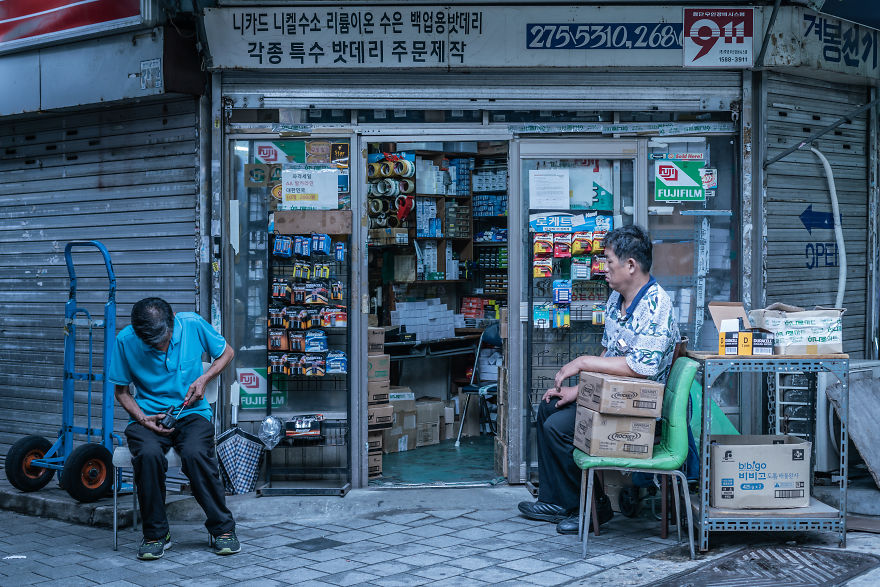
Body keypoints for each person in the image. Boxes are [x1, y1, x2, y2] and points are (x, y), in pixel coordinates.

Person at [518, 225, 680, 535]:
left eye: (608, 262)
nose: (602, 269)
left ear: (630, 265)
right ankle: (559, 501)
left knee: (559, 428)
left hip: (638, 410)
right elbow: (609, 357)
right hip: (613, 399)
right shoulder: (616, 301)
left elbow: (640, 368)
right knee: (549, 409)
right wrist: (578, 391)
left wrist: (581, 363)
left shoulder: (657, 305)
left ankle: (594, 507)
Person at [109, 297, 240, 560]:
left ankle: (222, 529)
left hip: (192, 413)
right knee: (147, 455)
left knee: (195, 454)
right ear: (138, 334)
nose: (160, 346)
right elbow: (121, 391)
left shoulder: (192, 324)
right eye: (153, 342)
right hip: (148, 416)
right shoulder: (126, 340)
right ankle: (156, 534)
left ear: (172, 322)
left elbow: (227, 352)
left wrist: (204, 379)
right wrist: (143, 418)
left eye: (164, 339)